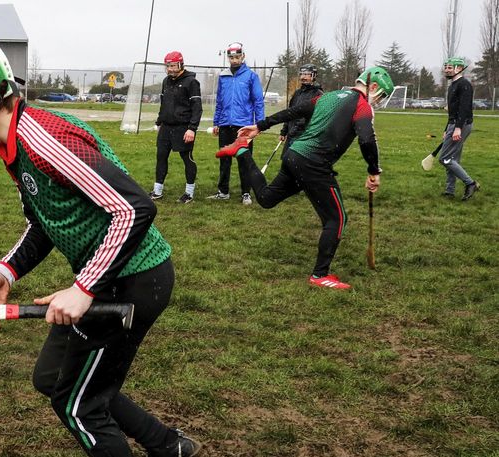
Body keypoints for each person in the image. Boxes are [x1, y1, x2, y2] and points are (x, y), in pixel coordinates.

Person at [0, 39, 202, 457]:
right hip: (109, 277)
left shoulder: (41, 137)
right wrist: (7, 272)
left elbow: (134, 209)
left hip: (134, 280)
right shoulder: (12, 142)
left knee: (78, 405)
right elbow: (46, 221)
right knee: (53, 378)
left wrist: (84, 288)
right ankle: (168, 446)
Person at [217, 66, 395, 290]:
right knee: (337, 219)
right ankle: (320, 275)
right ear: (374, 87)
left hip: (294, 154)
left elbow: (294, 111)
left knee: (266, 198)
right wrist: (373, 172)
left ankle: (242, 152)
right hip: (313, 164)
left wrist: (260, 126)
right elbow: (367, 139)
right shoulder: (361, 106)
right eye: (380, 96)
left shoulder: (328, 97)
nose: (378, 102)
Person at [208, 42, 264, 205]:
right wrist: (216, 122)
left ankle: (246, 193)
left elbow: (258, 101)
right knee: (224, 160)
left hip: (244, 126)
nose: (234, 60)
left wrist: (259, 124)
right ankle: (223, 191)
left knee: (244, 161)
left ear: (243, 56)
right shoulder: (223, 76)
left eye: (237, 57)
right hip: (225, 124)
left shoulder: (251, 76)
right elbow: (219, 101)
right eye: (231, 57)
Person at [148, 51, 202, 204]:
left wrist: (192, 128)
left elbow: (197, 108)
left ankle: (189, 193)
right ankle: (157, 191)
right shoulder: (166, 81)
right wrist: (159, 122)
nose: (170, 69)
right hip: (166, 127)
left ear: (180, 64)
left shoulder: (191, 82)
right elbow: (164, 104)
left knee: (187, 159)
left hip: (184, 128)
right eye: (168, 66)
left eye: (173, 65)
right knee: (161, 157)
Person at [440, 57, 479, 201]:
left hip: (461, 125)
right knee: (452, 158)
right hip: (454, 124)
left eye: (450, 67)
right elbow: (453, 111)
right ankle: (449, 190)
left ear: (458, 68)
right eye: (446, 67)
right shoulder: (452, 85)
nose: (446, 70)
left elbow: (464, 109)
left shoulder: (464, 85)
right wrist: (447, 129)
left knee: (444, 158)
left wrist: (457, 129)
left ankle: (470, 183)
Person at [279, 64, 323, 151]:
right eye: (302, 74)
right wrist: (284, 131)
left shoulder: (318, 94)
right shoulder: (297, 93)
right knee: (286, 161)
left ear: (313, 76)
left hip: (305, 136)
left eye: (306, 74)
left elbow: (313, 117)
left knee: (298, 163)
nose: (303, 77)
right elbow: (289, 113)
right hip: (291, 134)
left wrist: (296, 129)